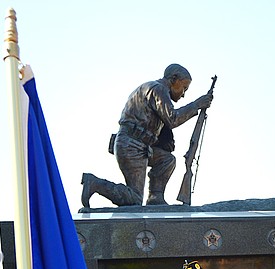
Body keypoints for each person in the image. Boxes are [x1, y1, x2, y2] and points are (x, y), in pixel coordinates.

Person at [81, 64, 214, 209]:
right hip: (131, 145)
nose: (183, 94)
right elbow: (172, 118)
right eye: (184, 88)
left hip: (141, 146)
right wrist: (196, 105)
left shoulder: (155, 89)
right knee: (135, 199)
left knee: (167, 160)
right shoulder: (158, 89)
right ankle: (95, 184)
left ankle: (155, 197)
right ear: (173, 79)